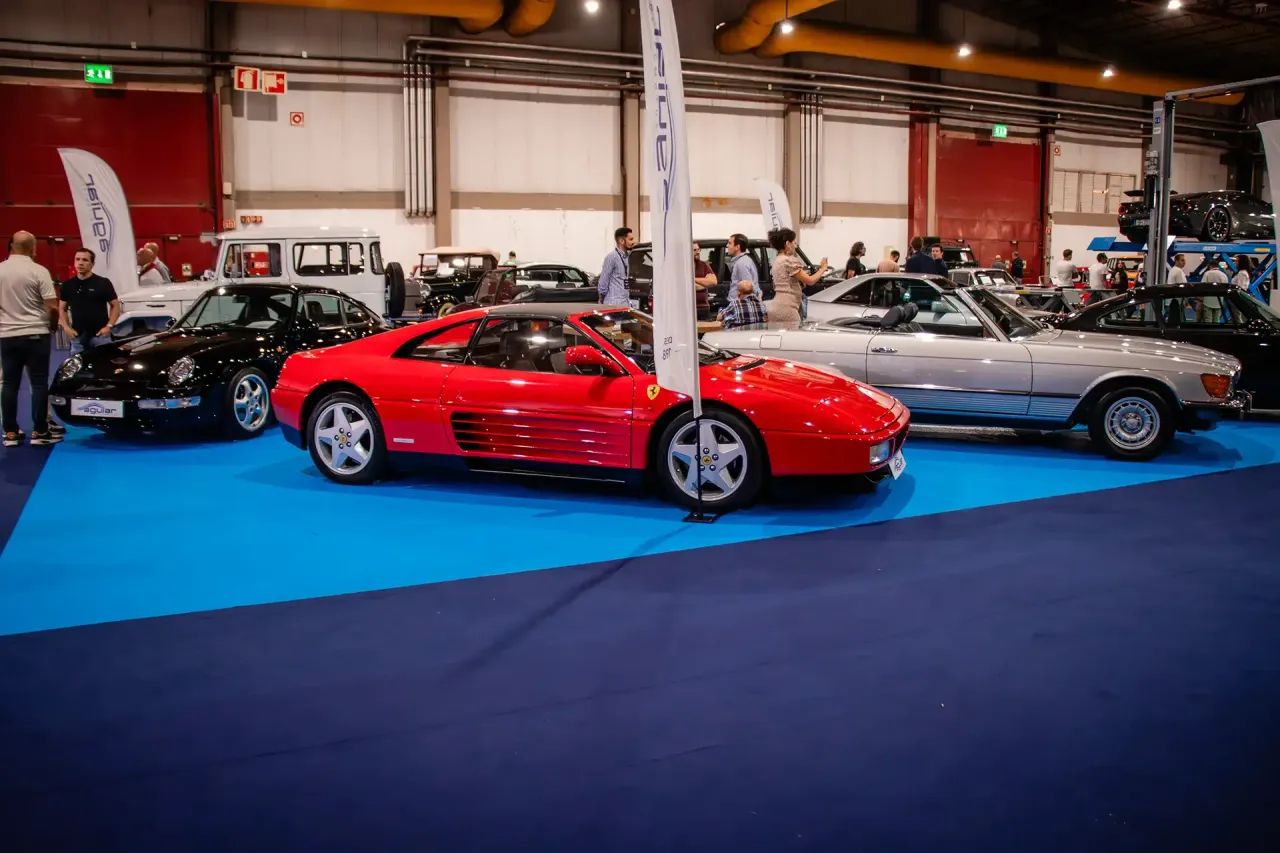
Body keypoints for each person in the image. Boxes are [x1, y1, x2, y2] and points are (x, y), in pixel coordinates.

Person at [0, 231, 61, 447]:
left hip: (7, 336)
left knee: (9, 384)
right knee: (38, 383)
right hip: (36, 334)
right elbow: (52, 307)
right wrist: (52, 327)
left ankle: (10, 433)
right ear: (33, 248)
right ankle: (40, 431)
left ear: (12, 246)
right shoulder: (39, 271)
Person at [60, 248, 119, 356]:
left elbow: (115, 305)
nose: (80, 263)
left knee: (104, 364)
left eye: (85, 260)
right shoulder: (67, 285)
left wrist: (109, 326)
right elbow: (62, 309)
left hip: (100, 335)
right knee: (78, 365)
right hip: (77, 336)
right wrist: (66, 327)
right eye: (77, 259)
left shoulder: (103, 283)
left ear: (92, 264)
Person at [768, 228, 826, 329]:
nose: (796, 246)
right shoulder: (789, 261)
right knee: (793, 336)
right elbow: (810, 281)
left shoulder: (777, 260)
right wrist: (822, 269)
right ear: (787, 244)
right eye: (794, 243)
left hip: (776, 306)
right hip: (788, 308)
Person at [598, 226, 634, 306]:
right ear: (621, 241)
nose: (633, 242)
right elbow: (603, 281)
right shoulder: (612, 257)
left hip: (625, 303)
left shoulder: (627, 257)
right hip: (613, 303)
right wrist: (601, 298)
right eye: (630, 239)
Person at [692, 243, 717, 321]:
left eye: (698, 250)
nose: (697, 252)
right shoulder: (682, 266)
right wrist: (705, 283)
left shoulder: (704, 265)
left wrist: (693, 279)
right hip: (688, 308)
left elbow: (714, 281)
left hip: (703, 308)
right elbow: (687, 286)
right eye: (694, 250)